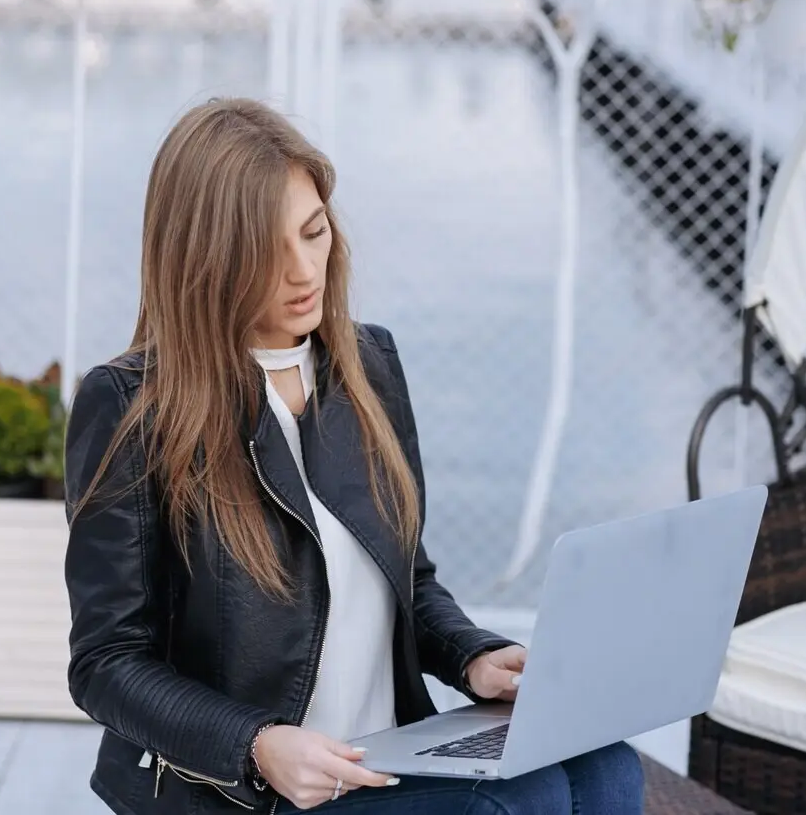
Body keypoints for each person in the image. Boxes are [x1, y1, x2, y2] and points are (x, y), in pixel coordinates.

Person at [64, 97, 645, 815]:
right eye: (268, 255)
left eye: (314, 233)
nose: (305, 270)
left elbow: (408, 576)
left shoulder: (367, 366)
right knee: (505, 809)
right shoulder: (131, 407)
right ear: (205, 261)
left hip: (386, 757)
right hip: (255, 793)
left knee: (603, 768)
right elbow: (105, 664)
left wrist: (472, 656)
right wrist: (256, 743)